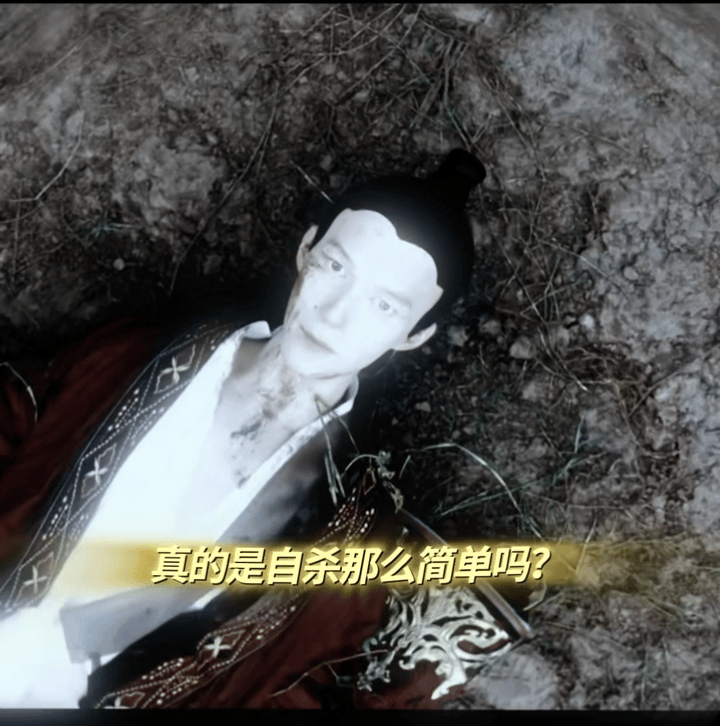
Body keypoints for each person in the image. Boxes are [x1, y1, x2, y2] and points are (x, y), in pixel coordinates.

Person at [0, 149, 531, 708]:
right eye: (336, 268)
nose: (334, 315)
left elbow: (301, 688)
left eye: (382, 305)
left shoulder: (345, 533)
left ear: (413, 336)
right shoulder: (139, 354)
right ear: (306, 250)